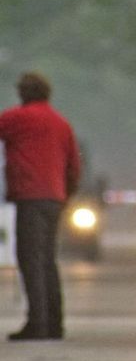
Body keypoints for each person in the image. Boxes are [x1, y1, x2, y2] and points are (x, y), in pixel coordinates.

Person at [0, 72, 81, 341]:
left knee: (30, 259)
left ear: (24, 92)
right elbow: (74, 165)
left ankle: (37, 323)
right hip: (54, 199)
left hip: (30, 197)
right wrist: (66, 195)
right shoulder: (61, 123)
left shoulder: (16, 118)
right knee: (47, 259)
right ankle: (55, 323)